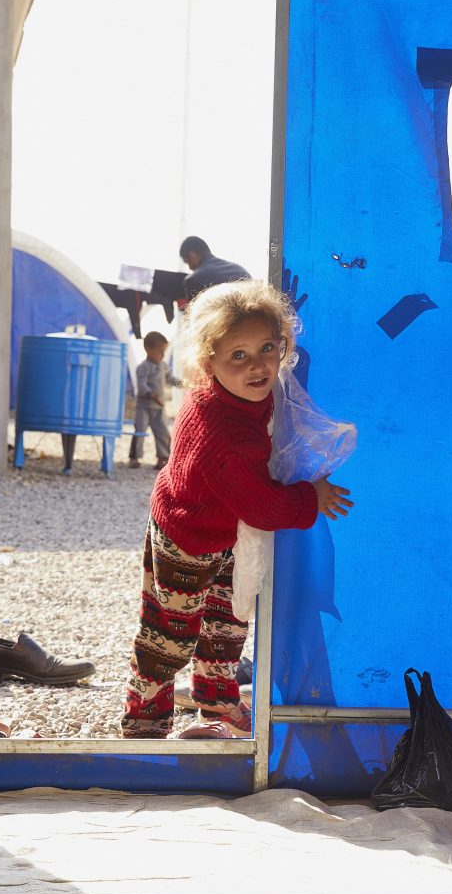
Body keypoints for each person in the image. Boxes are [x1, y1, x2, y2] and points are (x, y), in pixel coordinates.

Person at [121, 280, 352, 739]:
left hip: (222, 532)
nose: (258, 366)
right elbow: (263, 507)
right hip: (186, 537)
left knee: (225, 624)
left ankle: (219, 704)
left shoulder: (238, 392)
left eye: (268, 348)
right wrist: (313, 498)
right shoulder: (223, 436)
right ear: (209, 362)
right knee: (170, 634)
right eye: (238, 356)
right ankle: (144, 724)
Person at [129, 331, 179, 471]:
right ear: (148, 350)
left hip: (159, 407)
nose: (163, 355)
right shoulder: (143, 367)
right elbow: (142, 384)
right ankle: (135, 457)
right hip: (144, 406)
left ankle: (163, 457)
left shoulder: (163, 366)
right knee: (140, 431)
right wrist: (151, 394)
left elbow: (170, 379)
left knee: (163, 432)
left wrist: (182, 383)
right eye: (160, 351)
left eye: (164, 352)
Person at [178, 235, 251, 302]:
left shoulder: (193, 279)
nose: (190, 268)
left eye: (187, 262)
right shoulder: (240, 270)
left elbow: (192, 315)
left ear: (192, 257)